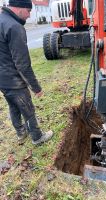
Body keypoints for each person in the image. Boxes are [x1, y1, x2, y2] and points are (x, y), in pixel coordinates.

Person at [0, 0, 53, 145]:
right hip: (13, 79)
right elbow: (22, 64)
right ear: (20, 8)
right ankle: (37, 137)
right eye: (29, 11)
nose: (29, 15)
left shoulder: (1, 20)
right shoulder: (14, 26)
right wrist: (36, 87)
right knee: (27, 108)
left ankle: (20, 133)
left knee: (13, 105)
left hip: (2, 79)